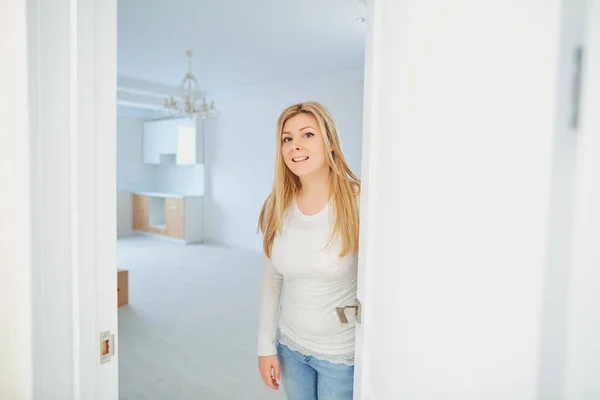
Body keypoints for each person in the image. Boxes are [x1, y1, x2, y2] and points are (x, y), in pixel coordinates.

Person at [257, 101, 361, 400]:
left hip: (341, 356)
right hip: (290, 347)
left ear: (329, 140)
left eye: (307, 135)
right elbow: (271, 278)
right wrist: (266, 347)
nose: (295, 146)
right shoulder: (276, 205)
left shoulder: (358, 201)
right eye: (287, 138)